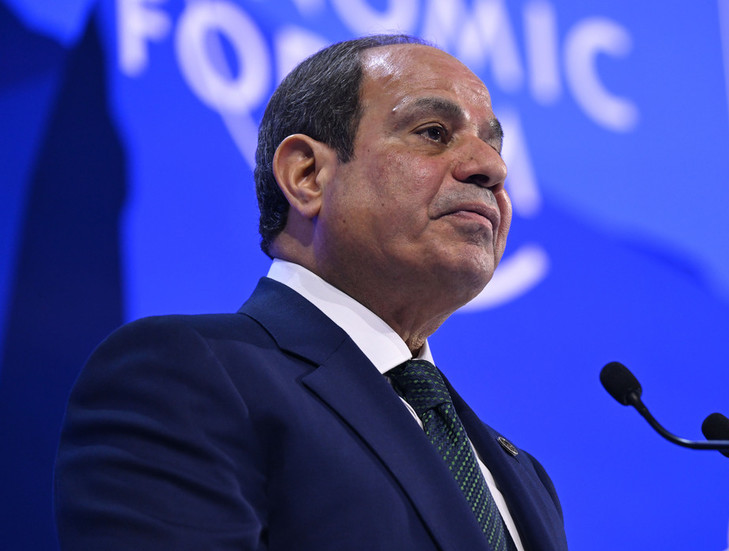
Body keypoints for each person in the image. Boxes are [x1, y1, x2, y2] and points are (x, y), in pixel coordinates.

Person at [54, 35, 568, 551]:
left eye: (494, 147)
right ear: (307, 175)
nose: (493, 168)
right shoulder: (185, 374)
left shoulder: (523, 477)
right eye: (433, 133)